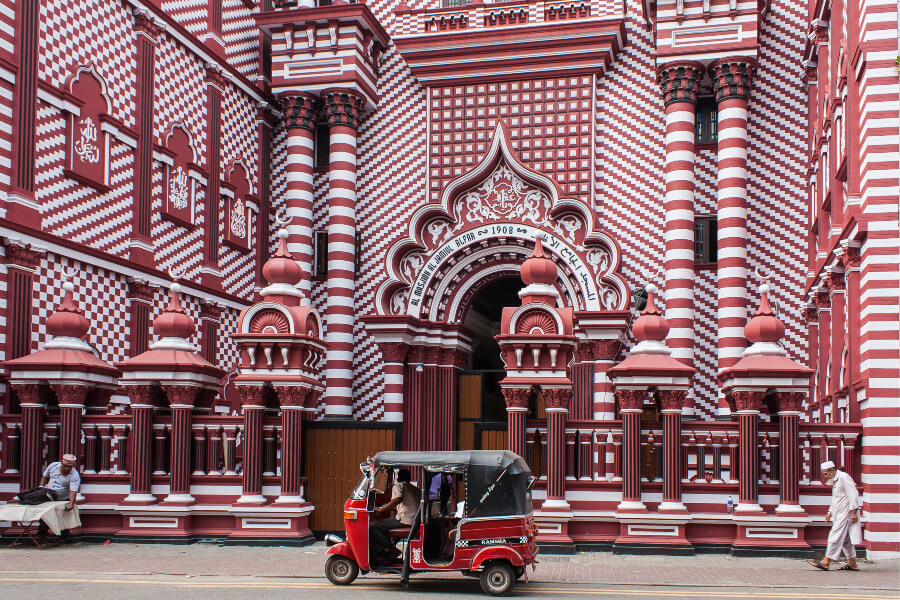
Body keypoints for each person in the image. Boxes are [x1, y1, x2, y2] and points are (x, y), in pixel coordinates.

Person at [810, 460, 861, 571]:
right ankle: (852, 563)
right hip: (839, 513)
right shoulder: (835, 480)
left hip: (845, 513)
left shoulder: (843, 477)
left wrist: (853, 511)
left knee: (834, 535)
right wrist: (829, 512)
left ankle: (826, 561)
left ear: (832, 470)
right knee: (846, 539)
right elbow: (836, 499)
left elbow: (853, 493)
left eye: (826, 474)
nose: (825, 476)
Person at [369, 468, 420, 564]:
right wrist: (389, 508)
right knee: (385, 525)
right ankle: (388, 552)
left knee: (372, 527)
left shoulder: (399, 486)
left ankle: (390, 550)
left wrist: (380, 510)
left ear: (398, 478)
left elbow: (398, 499)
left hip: (406, 520)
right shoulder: (415, 489)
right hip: (415, 520)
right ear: (409, 478)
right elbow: (407, 506)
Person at [34, 454, 81, 542]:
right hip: (48, 496)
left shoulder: (74, 475)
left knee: (63, 518)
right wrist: (41, 487)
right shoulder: (53, 466)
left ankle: (62, 538)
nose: (66, 468)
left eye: (69, 467)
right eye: (65, 466)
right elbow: (45, 476)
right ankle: (41, 536)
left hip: (62, 498)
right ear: (61, 462)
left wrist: (71, 503)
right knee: (44, 517)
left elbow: (73, 491)